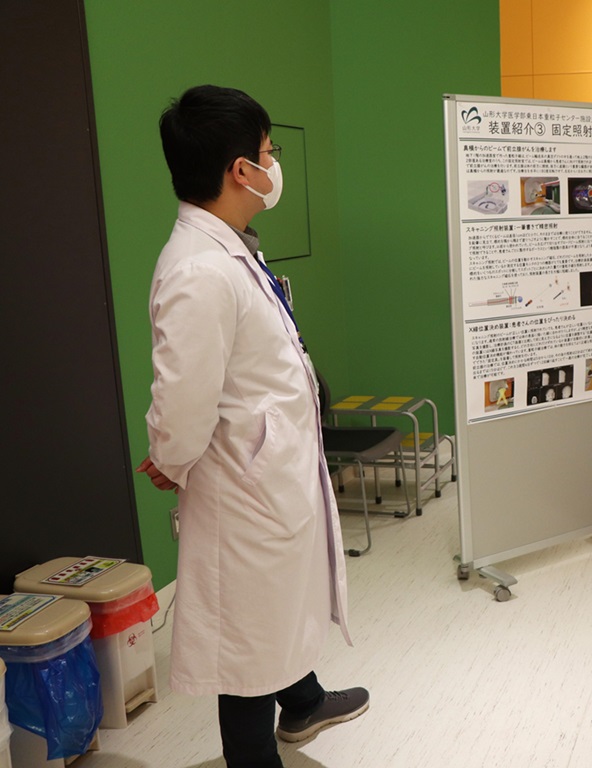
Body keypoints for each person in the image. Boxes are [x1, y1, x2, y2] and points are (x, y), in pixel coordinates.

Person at [135, 85, 368, 768]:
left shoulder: (231, 247)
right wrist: (170, 457)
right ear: (242, 170)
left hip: (266, 472)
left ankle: (303, 701)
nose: (274, 164)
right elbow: (182, 402)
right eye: (269, 152)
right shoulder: (199, 270)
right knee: (244, 646)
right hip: (242, 487)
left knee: (270, 614)